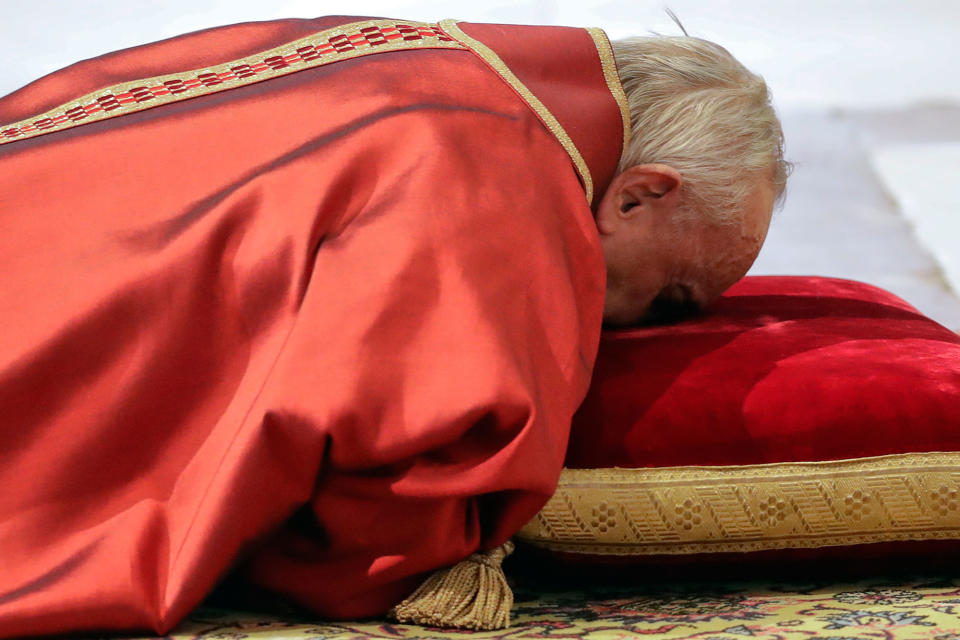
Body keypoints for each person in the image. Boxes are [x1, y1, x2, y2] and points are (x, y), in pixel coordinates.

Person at [0, 14, 787, 638]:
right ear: (638, 196)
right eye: (675, 299)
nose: (651, 331)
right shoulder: (497, 186)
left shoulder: (432, 59)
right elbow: (381, 526)